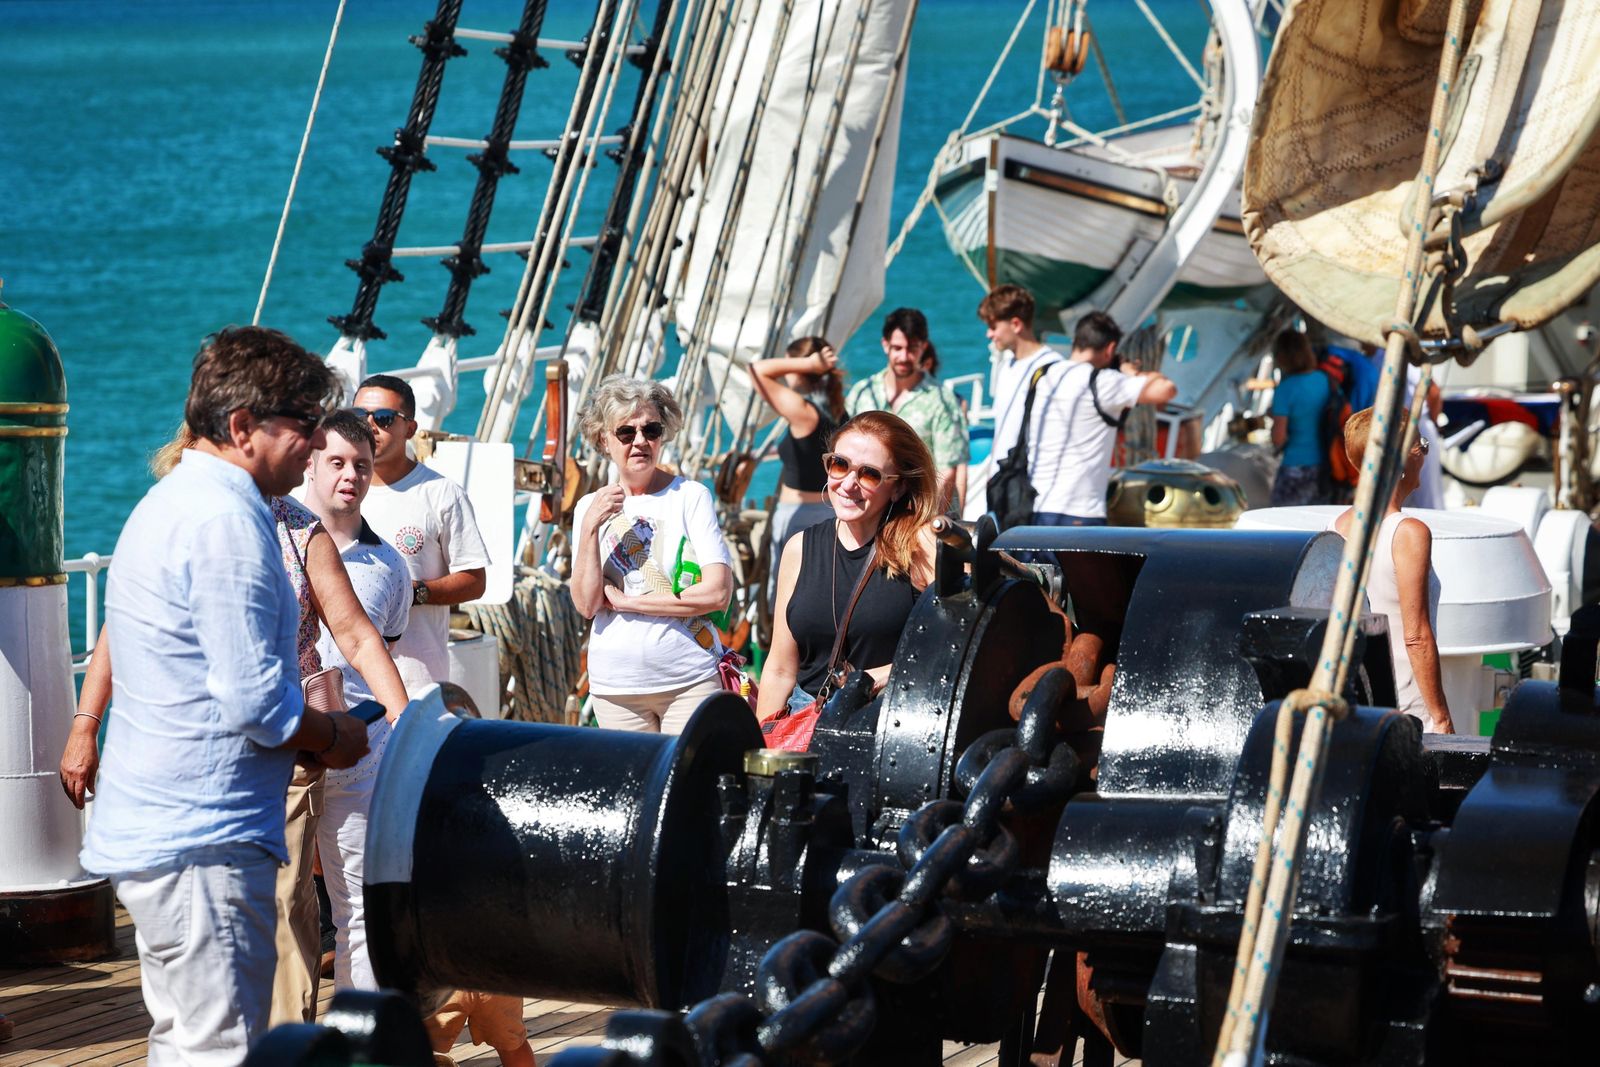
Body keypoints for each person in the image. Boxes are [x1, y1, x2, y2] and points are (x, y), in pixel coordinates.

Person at [77, 327, 369, 1065]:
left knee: (184, 1041)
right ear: (242, 427)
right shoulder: (229, 524)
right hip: (203, 840)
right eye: (301, 423)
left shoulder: (169, 502)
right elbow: (256, 703)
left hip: (162, 833)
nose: (311, 442)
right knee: (225, 1049)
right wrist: (336, 734)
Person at [300, 409, 412, 992]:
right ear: (311, 464)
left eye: (362, 466)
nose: (350, 475)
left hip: (361, 747)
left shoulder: (390, 565)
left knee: (360, 905)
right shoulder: (281, 538)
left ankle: (357, 1039)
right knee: (286, 906)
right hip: (291, 743)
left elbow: (377, 650)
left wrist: (405, 729)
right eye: (337, 462)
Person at [570, 376, 737, 733]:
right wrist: (589, 527)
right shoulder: (589, 507)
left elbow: (717, 593)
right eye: (626, 433)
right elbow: (586, 605)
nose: (640, 442)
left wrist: (630, 604)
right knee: (631, 789)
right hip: (616, 690)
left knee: (691, 787)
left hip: (689, 680)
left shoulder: (690, 497)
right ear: (604, 439)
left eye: (651, 430)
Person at [757, 410, 940, 719]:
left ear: (897, 487)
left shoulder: (919, 546)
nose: (848, 484)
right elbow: (779, 669)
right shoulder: (800, 548)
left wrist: (879, 676)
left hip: (888, 720)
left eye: (869, 474)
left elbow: (959, 645)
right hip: (808, 720)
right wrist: (762, 745)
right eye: (840, 465)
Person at [352, 374, 491, 695]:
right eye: (359, 416)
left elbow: (475, 580)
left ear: (410, 429)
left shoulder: (442, 494)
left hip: (415, 678)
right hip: (346, 679)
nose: (370, 425)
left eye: (384, 418)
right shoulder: (335, 488)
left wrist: (413, 593)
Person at [983, 299, 1176, 526]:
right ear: (1111, 349)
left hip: (1035, 508)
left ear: (1076, 341)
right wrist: (1128, 371)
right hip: (1081, 513)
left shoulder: (1043, 375)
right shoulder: (1103, 383)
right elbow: (1166, 390)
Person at [1329, 407, 1454, 734]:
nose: (1424, 456)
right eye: (1420, 447)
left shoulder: (1336, 527)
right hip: (1408, 704)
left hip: (1361, 701)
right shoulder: (1408, 532)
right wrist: (1440, 718)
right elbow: (1415, 637)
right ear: (1398, 463)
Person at [748, 336, 844, 604]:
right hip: (829, 514)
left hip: (800, 519)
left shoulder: (804, 412)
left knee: (787, 601)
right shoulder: (839, 411)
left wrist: (808, 363)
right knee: (821, 598)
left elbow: (757, 370)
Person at [845, 308, 969, 512]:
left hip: (918, 514)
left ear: (924, 347)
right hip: (866, 511)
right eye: (897, 348)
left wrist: (922, 523)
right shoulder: (861, 395)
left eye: (912, 349)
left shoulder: (942, 401)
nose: (904, 356)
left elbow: (948, 471)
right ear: (885, 345)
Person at [1269, 329, 1334, 506]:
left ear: (1282, 356)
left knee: (1283, 524)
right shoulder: (1324, 379)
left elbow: (1278, 438)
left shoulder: (1285, 389)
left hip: (1295, 467)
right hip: (1325, 466)